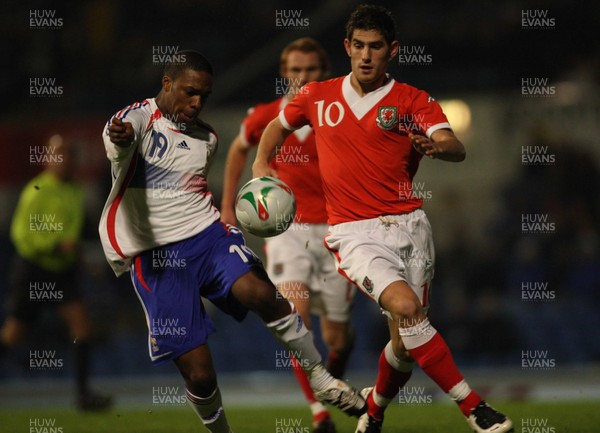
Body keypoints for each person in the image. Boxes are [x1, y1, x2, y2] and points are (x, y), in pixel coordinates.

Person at [252, 5, 513, 433]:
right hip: (354, 233)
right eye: (359, 46)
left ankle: (372, 414)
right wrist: (262, 163)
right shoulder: (318, 95)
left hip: (411, 229)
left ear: (392, 50)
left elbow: (453, 144)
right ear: (347, 48)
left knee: (405, 344)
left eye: (376, 47)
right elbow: (277, 126)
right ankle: (474, 407)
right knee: (409, 309)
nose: (366, 55)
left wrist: (436, 147)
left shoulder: (413, 100)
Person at [98, 50, 365, 433]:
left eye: (204, 96)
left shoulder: (206, 138)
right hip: (154, 256)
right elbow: (119, 140)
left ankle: (321, 380)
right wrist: (120, 140)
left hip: (206, 236)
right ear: (166, 83)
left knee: (261, 293)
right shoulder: (133, 119)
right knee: (201, 376)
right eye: (190, 92)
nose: (197, 103)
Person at [221, 37, 356, 433]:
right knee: (295, 321)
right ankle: (320, 413)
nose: (303, 77)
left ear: (325, 72)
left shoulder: (337, 114)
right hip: (287, 231)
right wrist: (229, 206)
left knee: (337, 337)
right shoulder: (266, 116)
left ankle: (333, 379)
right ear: (284, 74)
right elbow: (237, 149)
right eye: (295, 70)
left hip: (337, 230)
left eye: (311, 70)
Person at [0, 135, 111, 411]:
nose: (61, 160)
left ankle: (83, 396)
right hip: (33, 269)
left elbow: (72, 236)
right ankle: (83, 395)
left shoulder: (75, 190)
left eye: (66, 155)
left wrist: (83, 261)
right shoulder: (36, 190)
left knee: (81, 326)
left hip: (63, 270)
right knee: (13, 334)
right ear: (48, 159)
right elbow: (21, 235)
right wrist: (54, 244)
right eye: (56, 155)